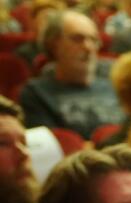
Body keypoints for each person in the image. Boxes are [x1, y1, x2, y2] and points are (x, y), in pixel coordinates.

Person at [19, 10, 124, 139]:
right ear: (53, 44)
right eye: (77, 39)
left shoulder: (113, 86)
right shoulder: (36, 93)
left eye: (93, 40)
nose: (88, 47)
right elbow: (52, 149)